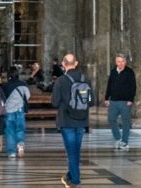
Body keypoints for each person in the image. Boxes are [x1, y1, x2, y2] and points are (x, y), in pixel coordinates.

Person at [51, 52, 93, 188]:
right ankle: (69, 175)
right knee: (76, 151)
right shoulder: (85, 79)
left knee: (71, 152)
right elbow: (91, 102)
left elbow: (55, 103)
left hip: (66, 121)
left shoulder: (60, 81)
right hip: (82, 120)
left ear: (63, 64)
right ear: (76, 63)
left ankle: (75, 180)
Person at [105, 53, 136, 150]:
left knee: (126, 122)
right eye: (118, 61)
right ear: (116, 62)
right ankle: (118, 137)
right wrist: (106, 98)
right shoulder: (113, 71)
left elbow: (133, 86)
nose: (121, 63)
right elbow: (109, 85)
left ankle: (124, 142)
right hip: (113, 101)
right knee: (111, 119)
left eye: (122, 61)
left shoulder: (129, 72)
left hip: (125, 101)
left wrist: (130, 99)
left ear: (125, 62)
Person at [2, 65, 30, 158]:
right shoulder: (23, 84)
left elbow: (2, 98)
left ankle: (12, 152)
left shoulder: (4, 85)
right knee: (20, 128)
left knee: (9, 131)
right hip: (20, 110)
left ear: (8, 75)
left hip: (9, 111)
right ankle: (20, 144)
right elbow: (28, 96)